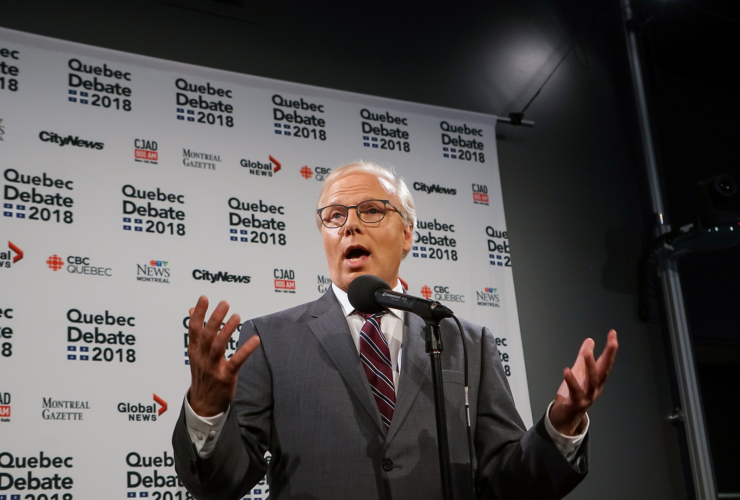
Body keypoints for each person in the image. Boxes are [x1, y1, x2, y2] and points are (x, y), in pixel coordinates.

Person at [172, 161, 618, 500]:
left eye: (370, 210)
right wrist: (208, 412)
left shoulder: (466, 341)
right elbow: (221, 484)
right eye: (334, 216)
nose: (349, 224)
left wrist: (561, 426)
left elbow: (509, 480)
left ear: (407, 234)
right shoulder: (270, 340)